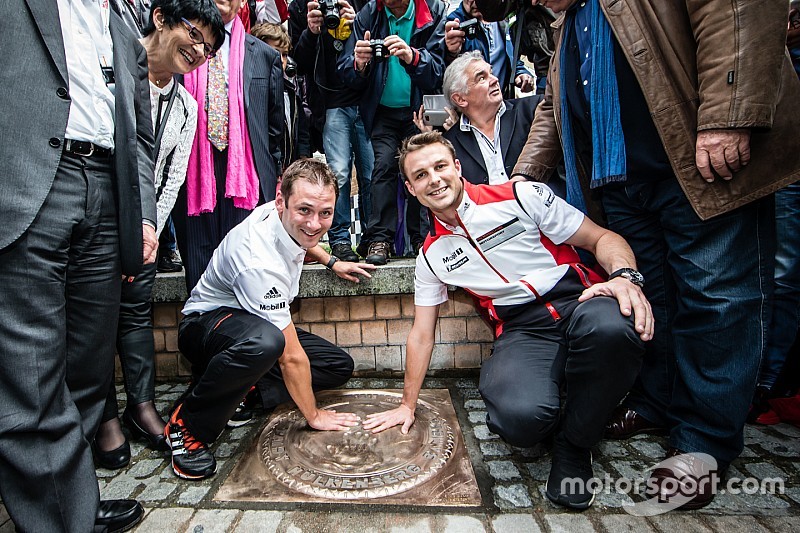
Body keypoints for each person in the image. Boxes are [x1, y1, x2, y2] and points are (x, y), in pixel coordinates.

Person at [513, 0, 800, 508]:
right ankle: (656, 401)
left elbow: (733, 10)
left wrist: (728, 114)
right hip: (620, 179)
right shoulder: (569, 23)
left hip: (693, 160)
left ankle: (703, 443)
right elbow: (555, 105)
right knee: (652, 302)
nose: (534, 1)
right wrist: (524, 178)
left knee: (717, 299)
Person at [364, 132, 649, 509]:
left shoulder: (519, 196)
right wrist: (406, 404)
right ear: (410, 189)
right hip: (523, 328)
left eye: (440, 166)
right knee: (517, 420)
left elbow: (601, 238)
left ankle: (574, 445)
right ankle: (566, 400)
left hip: (578, 301)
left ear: (457, 168)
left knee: (614, 326)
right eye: (420, 175)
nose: (433, 179)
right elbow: (421, 333)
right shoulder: (431, 255)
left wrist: (625, 277)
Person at [0, 0, 157, 530]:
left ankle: (72, 503)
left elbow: (140, 136)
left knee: (89, 366)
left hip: (107, 192)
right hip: (31, 187)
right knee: (33, 376)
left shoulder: (122, 27)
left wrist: (143, 214)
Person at [165, 159, 376, 480]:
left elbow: (306, 236)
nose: (315, 223)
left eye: (326, 213)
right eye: (304, 210)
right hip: (204, 326)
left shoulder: (283, 215)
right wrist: (314, 416)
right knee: (269, 343)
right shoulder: (257, 259)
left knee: (337, 366)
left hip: (254, 324)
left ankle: (242, 389)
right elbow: (290, 358)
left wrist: (332, 261)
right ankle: (187, 425)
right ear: (281, 201)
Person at [94, 0, 225, 471]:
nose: (199, 51)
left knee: (135, 316)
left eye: (209, 48)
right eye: (195, 35)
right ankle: (103, 417)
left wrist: (148, 232)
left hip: (144, 229)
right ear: (161, 19)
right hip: (95, 218)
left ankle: (142, 405)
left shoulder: (186, 107)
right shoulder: (108, 68)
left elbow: (170, 178)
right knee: (95, 322)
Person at [173, 0, 285, 291]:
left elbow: (275, 128)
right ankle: (204, 320)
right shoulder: (180, 47)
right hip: (193, 173)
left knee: (247, 271)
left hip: (246, 178)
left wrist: (275, 177)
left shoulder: (264, 55)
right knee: (199, 272)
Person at [337, 0, 447, 264]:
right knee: (383, 166)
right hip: (382, 111)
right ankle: (380, 239)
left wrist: (412, 56)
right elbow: (346, 72)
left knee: (422, 168)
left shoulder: (433, 9)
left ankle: (424, 237)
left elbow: (440, 70)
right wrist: (359, 63)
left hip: (421, 109)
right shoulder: (370, 13)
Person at [289, 0, 374, 263]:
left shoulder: (368, 6)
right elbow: (297, 63)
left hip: (368, 100)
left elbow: (382, 46)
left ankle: (373, 239)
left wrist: (359, 23)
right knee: (339, 174)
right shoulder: (302, 6)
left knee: (372, 173)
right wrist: (311, 31)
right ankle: (340, 240)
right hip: (331, 103)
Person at [436, 52, 542, 187]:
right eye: (481, 78)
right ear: (460, 99)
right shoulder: (449, 146)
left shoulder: (534, 110)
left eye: (491, 73)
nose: (495, 80)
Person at [252, 22, 313, 168]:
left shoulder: (291, 92)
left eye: (284, 54)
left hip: (288, 166)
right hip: (263, 167)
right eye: (273, 52)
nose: (280, 59)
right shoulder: (250, 92)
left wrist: (303, 158)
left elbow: (301, 131)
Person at [443, 0, 534, 97]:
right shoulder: (453, 24)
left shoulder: (502, 18)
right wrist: (451, 53)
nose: (477, 3)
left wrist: (520, 72)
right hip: (473, 101)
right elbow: (445, 74)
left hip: (502, 99)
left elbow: (511, 55)